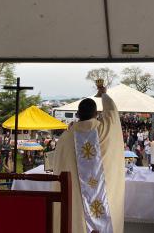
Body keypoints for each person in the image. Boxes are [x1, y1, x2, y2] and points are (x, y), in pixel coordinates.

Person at [53, 84, 124, 233]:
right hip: (103, 199)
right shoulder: (105, 130)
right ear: (96, 113)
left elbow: (58, 166)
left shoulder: (65, 138)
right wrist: (103, 94)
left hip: (77, 206)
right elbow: (112, 112)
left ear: (78, 114)